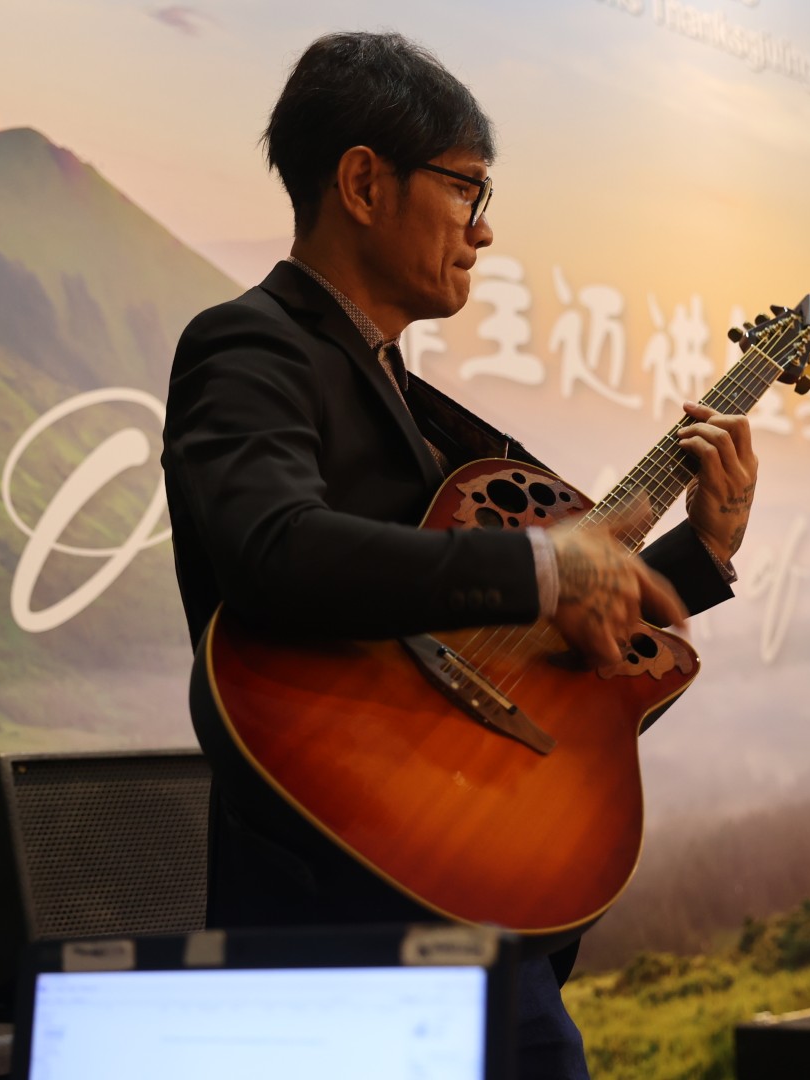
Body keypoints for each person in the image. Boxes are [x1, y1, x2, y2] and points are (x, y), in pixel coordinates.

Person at [160, 31, 760, 1077]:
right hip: (339, 910)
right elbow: (273, 549)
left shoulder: (411, 401)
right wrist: (545, 569)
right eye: (466, 189)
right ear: (363, 183)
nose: (483, 230)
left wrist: (700, 552)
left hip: (460, 892)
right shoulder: (251, 344)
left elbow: (507, 646)